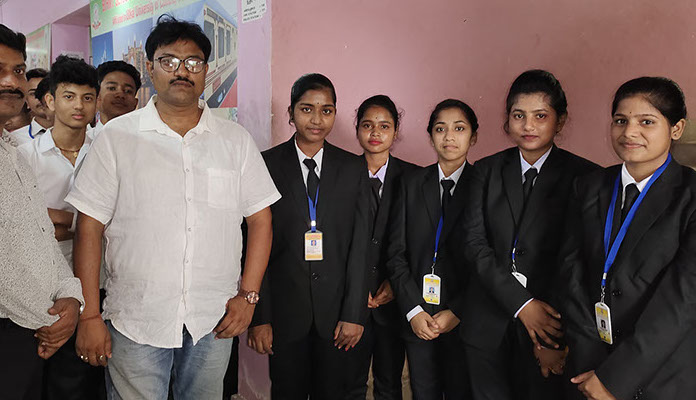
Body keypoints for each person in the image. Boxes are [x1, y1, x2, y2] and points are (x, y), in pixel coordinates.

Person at [65, 15, 280, 400]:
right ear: (151, 68)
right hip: (136, 319)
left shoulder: (234, 141)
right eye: (169, 61)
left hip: (213, 318)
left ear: (206, 70)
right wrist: (90, 314)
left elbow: (261, 220)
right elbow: (89, 227)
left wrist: (248, 296)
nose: (182, 71)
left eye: (193, 62)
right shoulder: (117, 138)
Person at [458, 70, 597, 400]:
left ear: (560, 121)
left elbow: (576, 262)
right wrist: (522, 304)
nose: (528, 126)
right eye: (518, 115)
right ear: (507, 120)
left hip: (549, 327)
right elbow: (474, 244)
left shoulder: (585, 177)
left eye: (540, 116)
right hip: (487, 323)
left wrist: (553, 338)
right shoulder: (486, 170)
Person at [561, 77, 696, 400]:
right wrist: (593, 366)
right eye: (620, 121)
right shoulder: (588, 187)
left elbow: (682, 301)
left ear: (676, 128)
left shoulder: (690, 196)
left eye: (646, 122)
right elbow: (570, 275)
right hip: (588, 370)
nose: (629, 132)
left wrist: (613, 379)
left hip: (661, 376)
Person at [247, 73, 369, 399]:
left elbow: (360, 247)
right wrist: (260, 317)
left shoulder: (353, 169)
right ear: (291, 113)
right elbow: (255, 247)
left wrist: (354, 314)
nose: (317, 119)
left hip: (337, 318)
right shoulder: (266, 165)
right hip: (284, 316)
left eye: (326, 110)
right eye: (306, 109)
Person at [0, 23, 84, 400]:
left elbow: (43, 239)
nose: (11, 81)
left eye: (18, 70)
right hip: (20, 326)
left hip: (31, 331)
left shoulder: (14, 156)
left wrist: (72, 297)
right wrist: (53, 318)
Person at [17, 55, 105, 400]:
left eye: (87, 97)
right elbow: (20, 223)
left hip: (99, 282)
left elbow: (119, 219)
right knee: (43, 379)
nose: (79, 106)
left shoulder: (106, 152)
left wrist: (57, 220)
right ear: (50, 101)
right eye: (69, 96)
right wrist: (87, 223)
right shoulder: (24, 156)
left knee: (89, 380)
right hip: (41, 285)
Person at [385, 99, 478, 398]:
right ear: (430, 136)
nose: (449, 137)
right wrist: (413, 310)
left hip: (465, 318)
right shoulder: (411, 184)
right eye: (440, 129)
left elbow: (489, 259)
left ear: (473, 137)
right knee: (423, 392)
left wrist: (458, 311)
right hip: (418, 317)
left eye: (459, 129)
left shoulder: (484, 185)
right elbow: (396, 254)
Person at [345, 95, 419, 400]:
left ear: (396, 131)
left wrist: (397, 284)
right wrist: (355, 288)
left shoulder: (415, 177)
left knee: (390, 384)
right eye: (367, 125)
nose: (375, 133)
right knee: (349, 384)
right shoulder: (342, 173)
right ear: (357, 129)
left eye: (384, 126)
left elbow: (419, 238)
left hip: (394, 301)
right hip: (351, 302)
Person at [92, 60, 140, 137]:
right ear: (96, 96)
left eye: (128, 91)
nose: (120, 95)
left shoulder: (146, 141)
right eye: (112, 88)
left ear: (135, 103)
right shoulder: (83, 141)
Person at [9, 68, 50, 144]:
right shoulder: (14, 139)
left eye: (45, 92)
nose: (40, 98)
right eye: (33, 93)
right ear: (26, 101)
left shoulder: (72, 135)